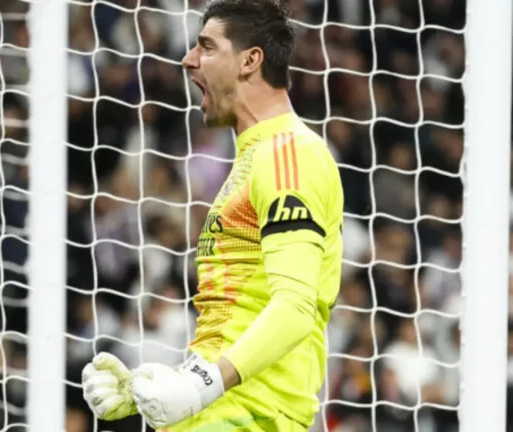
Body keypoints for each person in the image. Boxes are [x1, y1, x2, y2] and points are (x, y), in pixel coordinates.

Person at [81, 0, 344, 430]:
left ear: (250, 60)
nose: (187, 59)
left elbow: (295, 306)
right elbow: (234, 317)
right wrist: (152, 390)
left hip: (250, 417)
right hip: (220, 414)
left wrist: (199, 385)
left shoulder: (289, 154)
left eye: (206, 46)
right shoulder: (253, 158)